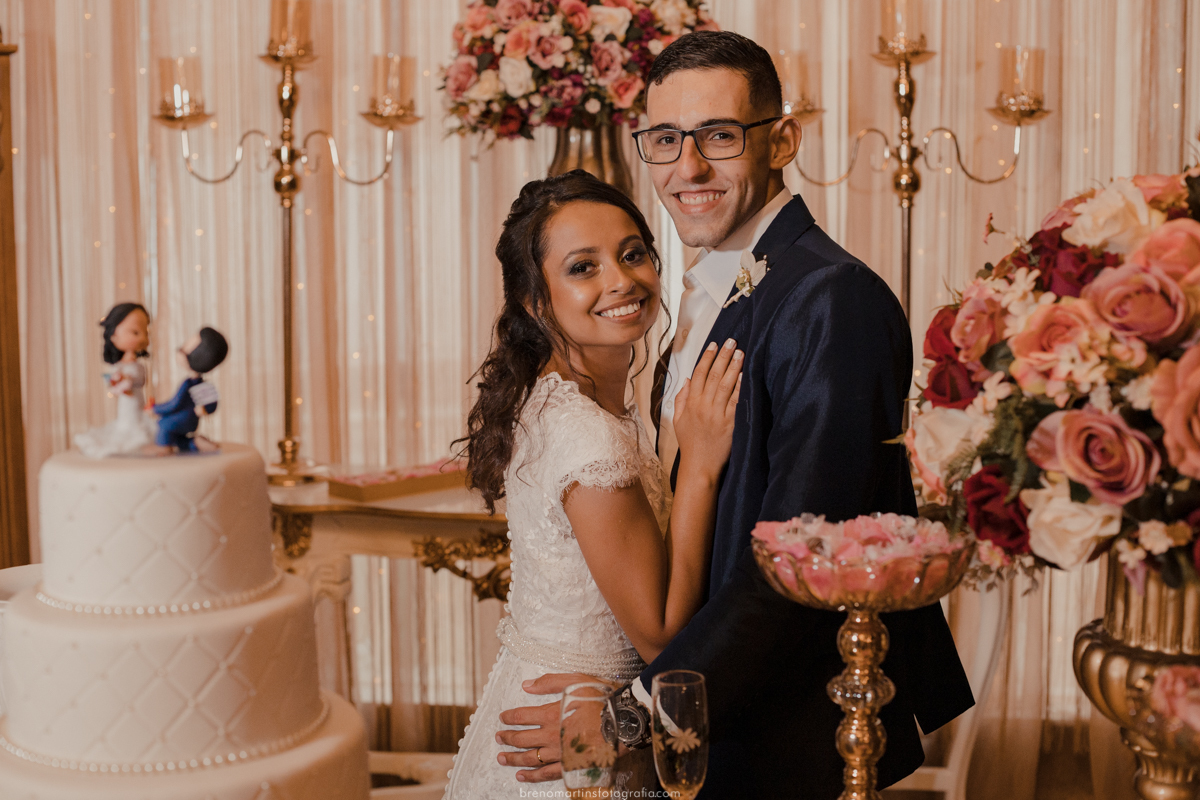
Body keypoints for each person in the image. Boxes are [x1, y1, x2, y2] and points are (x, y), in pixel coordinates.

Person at [497, 31, 975, 799]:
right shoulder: (688, 294)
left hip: (775, 730)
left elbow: (798, 555)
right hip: (706, 735)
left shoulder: (833, 298)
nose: (687, 169)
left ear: (782, 137)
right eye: (664, 140)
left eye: (718, 137)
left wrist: (636, 715)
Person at [441, 170, 741, 799]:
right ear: (535, 300)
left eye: (633, 254)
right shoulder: (584, 432)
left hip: (569, 714)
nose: (620, 281)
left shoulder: (573, 398)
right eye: (583, 267)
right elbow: (658, 633)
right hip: (571, 751)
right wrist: (705, 466)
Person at [74, 302, 159, 459]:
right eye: (135, 332)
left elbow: (140, 381)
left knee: (139, 425)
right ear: (114, 335)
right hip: (126, 403)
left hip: (137, 401)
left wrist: (127, 381)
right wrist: (117, 383)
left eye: (145, 332)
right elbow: (113, 385)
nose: (143, 337)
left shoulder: (139, 367)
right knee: (125, 424)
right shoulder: (118, 366)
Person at [149, 326, 227, 453]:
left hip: (183, 419)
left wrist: (155, 409)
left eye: (183, 349)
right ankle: (194, 443)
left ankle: (163, 448)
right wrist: (206, 410)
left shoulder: (188, 384)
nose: (179, 351)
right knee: (177, 437)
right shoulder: (202, 384)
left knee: (163, 424)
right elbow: (213, 403)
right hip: (191, 421)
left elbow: (174, 404)